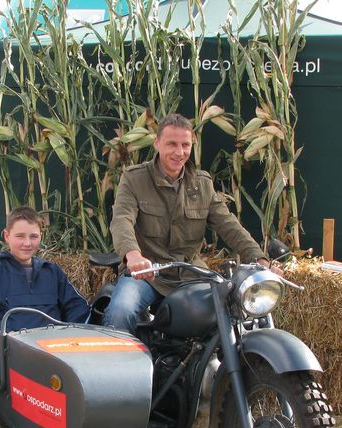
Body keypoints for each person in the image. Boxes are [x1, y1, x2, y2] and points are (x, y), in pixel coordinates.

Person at [103, 112, 278, 334]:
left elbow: (228, 224)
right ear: (157, 143)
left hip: (191, 274)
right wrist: (133, 255)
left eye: (185, 145)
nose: (179, 152)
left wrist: (259, 259)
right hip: (147, 275)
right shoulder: (135, 179)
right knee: (121, 312)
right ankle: (122, 368)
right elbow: (122, 220)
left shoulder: (202, 183)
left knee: (230, 312)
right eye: (172, 144)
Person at [0, 206, 91, 378]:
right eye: (20, 236)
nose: (27, 243)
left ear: (40, 237)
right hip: (13, 352)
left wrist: (71, 335)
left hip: (56, 350)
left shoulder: (51, 271)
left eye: (33, 236)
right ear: (6, 236)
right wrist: (8, 334)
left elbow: (78, 305)